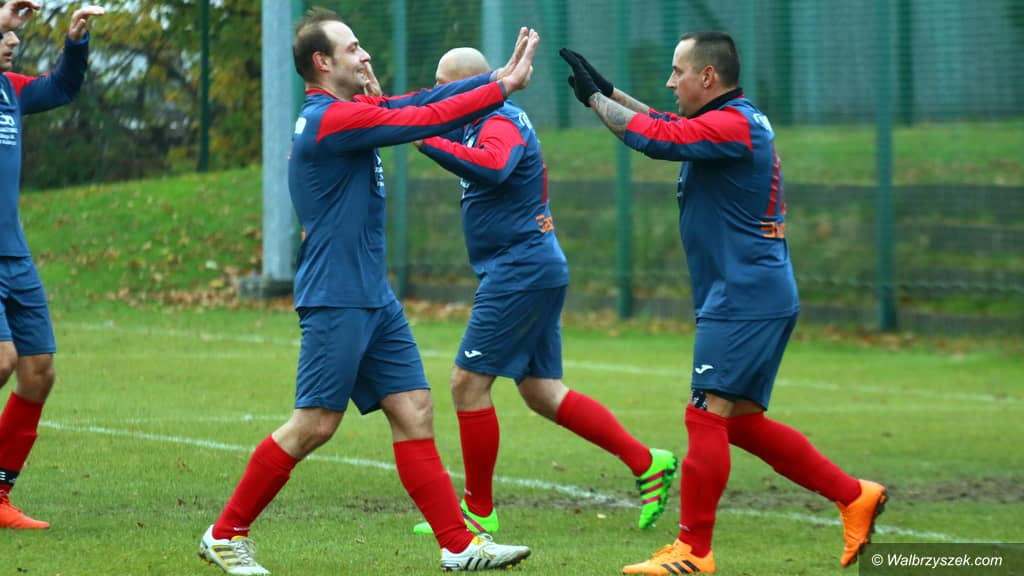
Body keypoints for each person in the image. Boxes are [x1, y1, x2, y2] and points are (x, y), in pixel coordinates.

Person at [196, 9, 540, 575]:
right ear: (322, 62)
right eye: (353, 48)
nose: (366, 55)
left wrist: (495, 77)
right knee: (315, 423)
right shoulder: (330, 119)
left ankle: (458, 545)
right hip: (338, 295)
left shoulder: (348, 114)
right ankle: (226, 533)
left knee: (414, 409)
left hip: (371, 296)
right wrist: (500, 88)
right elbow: (423, 116)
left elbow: (415, 103)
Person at [559, 32, 887, 574]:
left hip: (744, 297)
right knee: (741, 424)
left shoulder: (732, 124)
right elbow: (665, 124)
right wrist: (610, 93)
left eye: (678, 71)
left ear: (708, 76)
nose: (671, 82)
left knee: (705, 417)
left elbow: (653, 139)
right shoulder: (729, 120)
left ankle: (693, 551)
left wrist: (596, 100)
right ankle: (854, 496)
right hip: (749, 293)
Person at [407, 46, 677, 538]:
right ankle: (647, 462)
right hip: (529, 267)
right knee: (541, 391)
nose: (436, 91)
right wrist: (388, 109)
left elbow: (495, 166)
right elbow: (427, 120)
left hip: (520, 270)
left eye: (443, 84)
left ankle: (478, 511)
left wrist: (426, 140)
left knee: (467, 384)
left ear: (470, 84)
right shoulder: (473, 120)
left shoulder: (501, 121)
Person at [0, 0, 105, 530]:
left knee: (38, 371)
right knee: (1, 359)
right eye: (4, 31)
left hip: (13, 252)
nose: (14, 40)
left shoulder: (11, 90)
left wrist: (76, 40)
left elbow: (62, 88)